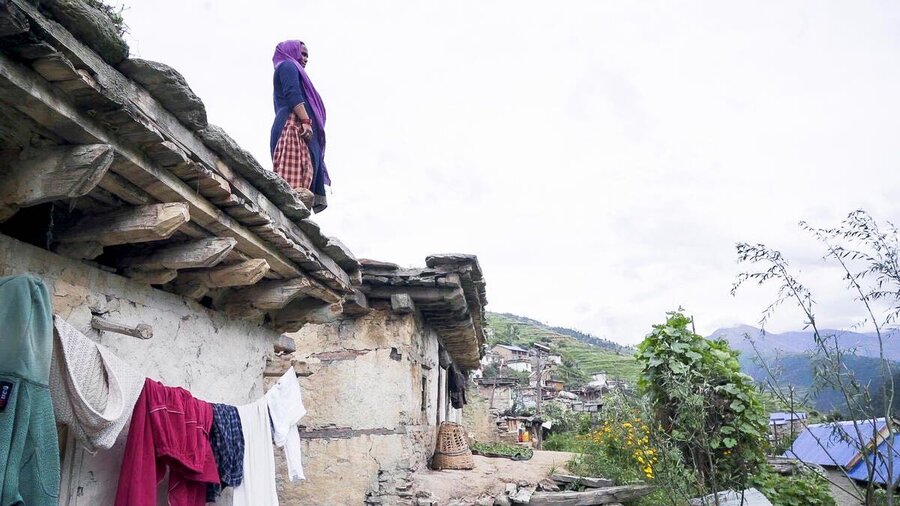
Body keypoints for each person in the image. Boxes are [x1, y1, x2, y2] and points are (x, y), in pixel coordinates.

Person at [271, 40, 330, 213]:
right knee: (294, 180)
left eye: (307, 56)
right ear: (291, 51)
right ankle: (289, 214)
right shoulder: (288, 65)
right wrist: (305, 121)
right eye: (302, 53)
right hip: (293, 126)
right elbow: (292, 94)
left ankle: (296, 216)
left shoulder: (294, 70)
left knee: (304, 175)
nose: (305, 59)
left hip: (299, 128)